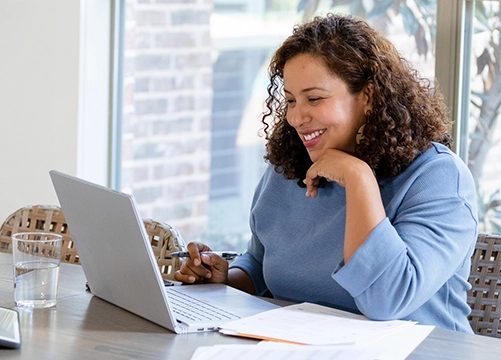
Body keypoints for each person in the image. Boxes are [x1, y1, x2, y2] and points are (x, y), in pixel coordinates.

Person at [174, 13, 478, 333]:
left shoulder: (438, 179)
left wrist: (357, 177)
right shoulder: (290, 167)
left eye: (314, 98)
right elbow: (262, 263)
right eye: (290, 100)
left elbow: (386, 299)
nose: (296, 117)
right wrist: (226, 279)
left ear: (369, 98)